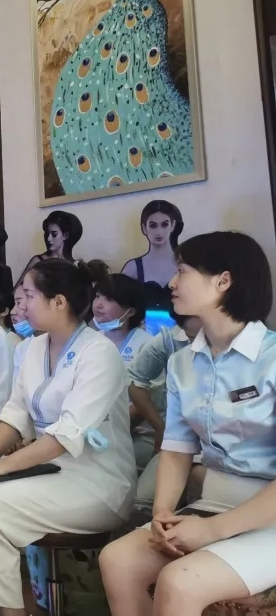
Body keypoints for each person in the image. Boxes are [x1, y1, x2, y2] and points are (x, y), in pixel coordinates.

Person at [0, 259, 136, 616]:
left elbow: (65, 435)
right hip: (48, 472)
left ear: (59, 302)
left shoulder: (100, 354)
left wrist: (2, 466)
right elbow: (15, 412)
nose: (20, 305)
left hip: (96, 481)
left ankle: (8, 612)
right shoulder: (34, 348)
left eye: (29, 295)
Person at [100, 231, 276, 616]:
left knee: (180, 581)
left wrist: (213, 530)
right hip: (214, 501)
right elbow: (178, 448)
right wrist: (162, 513)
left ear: (223, 281)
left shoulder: (272, 358)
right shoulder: (182, 362)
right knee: (117, 560)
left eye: (182, 271)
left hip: (270, 517)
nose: (171, 282)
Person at [127, 311, 202, 505]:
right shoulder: (175, 351)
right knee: (142, 504)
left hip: (230, 460)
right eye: (192, 338)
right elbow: (135, 379)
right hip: (180, 443)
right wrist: (160, 428)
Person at [121, 199, 183, 309]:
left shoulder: (187, 264)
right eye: (153, 226)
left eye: (164, 225)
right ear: (144, 228)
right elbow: (121, 305)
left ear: (173, 225)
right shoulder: (133, 268)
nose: (159, 232)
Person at [92, 270, 152, 363]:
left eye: (108, 299)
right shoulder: (90, 341)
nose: (98, 305)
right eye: (97, 296)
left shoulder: (147, 345)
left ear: (130, 311)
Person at [21, 210, 83, 276]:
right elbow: (21, 283)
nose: (48, 239)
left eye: (54, 234)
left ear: (65, 235)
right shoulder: (38, 261)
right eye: (47, 234)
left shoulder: (74, 265)